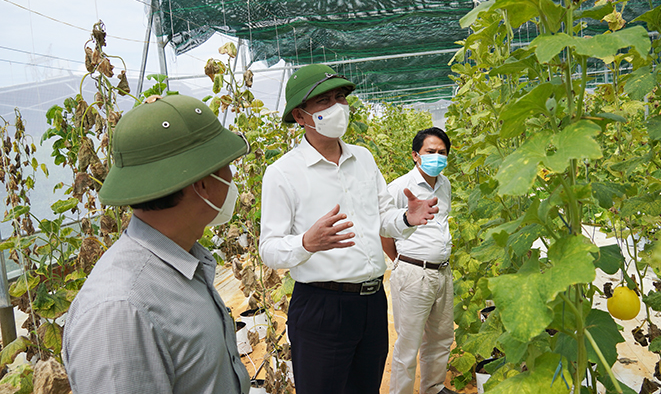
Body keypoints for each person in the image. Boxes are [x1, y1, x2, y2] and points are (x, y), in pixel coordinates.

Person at [259, 64, 438, 394]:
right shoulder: (283, 173)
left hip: (370, 303)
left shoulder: (364, 159)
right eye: (324, 101)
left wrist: (407, 219)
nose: (338, 107)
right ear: (300, 117)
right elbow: (268, 248)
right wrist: (306, 243)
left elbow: (382, 219)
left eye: (340, 97)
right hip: (322, 306)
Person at [62, 94, 252, 394]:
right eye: (226, 164)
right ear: (201, 183)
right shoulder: (121, 312)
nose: (233, 176)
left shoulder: (181, 262)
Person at [381, 127, 456, 394]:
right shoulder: (401, 187)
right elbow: (384, 230)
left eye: (442, 152)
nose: (437, 156)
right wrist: (402, 262)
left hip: (442, 273)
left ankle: (433, 388)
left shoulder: (444, 184)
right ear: (415, 155)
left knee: (441, 338)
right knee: (409, 344)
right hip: (414, 274)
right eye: (430, 152)